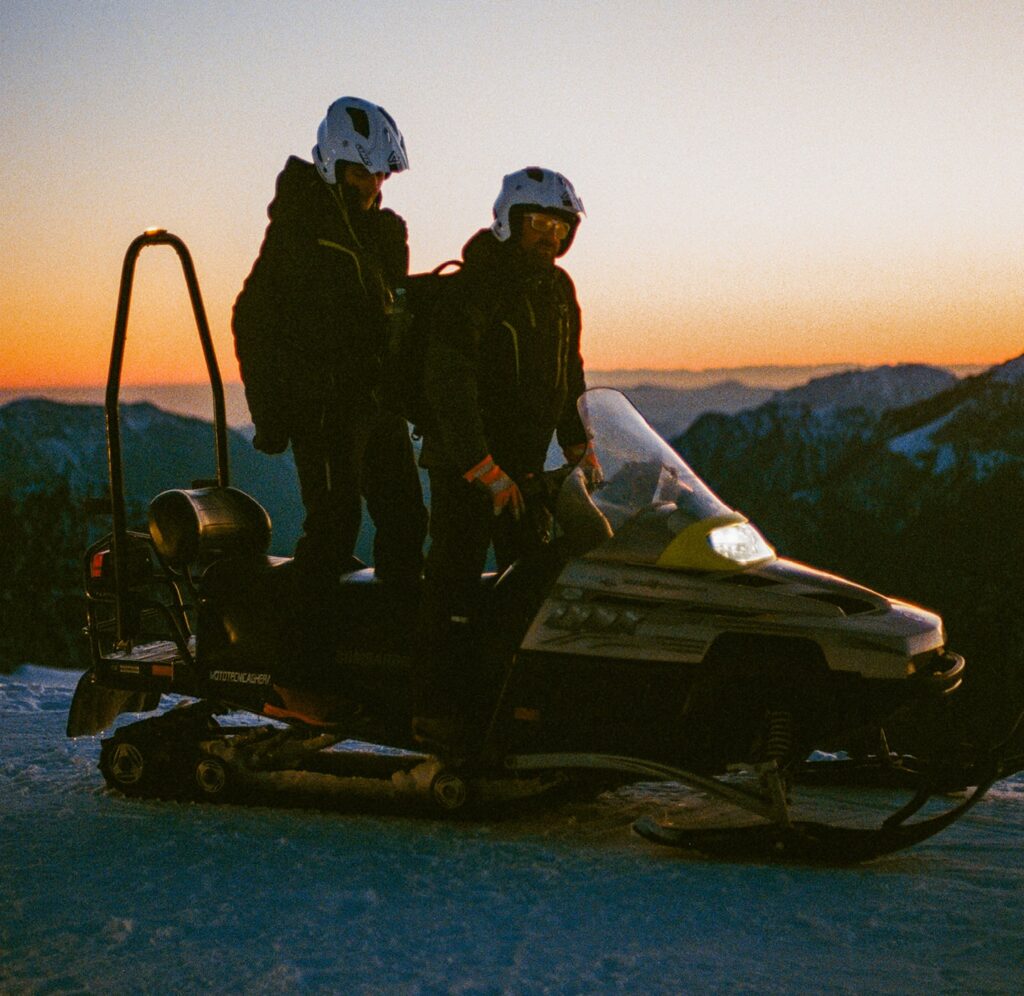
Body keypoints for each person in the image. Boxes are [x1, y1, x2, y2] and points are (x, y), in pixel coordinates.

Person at [232, 96, 427, 719]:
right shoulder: (300, 226)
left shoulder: (382, 232)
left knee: (404, 519)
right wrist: (270, 412)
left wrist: (413, 388)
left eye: (381, 175)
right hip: (323, 405)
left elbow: (393, 315)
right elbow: (252, 318)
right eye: (364, 173)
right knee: (334, 525)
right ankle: (303, 665)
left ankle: (395, 649)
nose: (375, 185)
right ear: (334, 164)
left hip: (377, 403)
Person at [413, 167, 600, 745]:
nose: (550, 235)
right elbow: (450, 381)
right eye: (539, 222)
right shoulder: (475, 287)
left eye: (560, 226)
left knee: (533, 583)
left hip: (523, 466)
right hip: (464, 464)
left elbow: (570, 371)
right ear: (508, 220)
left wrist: (578, 439)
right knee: (455, 584)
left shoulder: (559, 290)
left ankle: (515, 706)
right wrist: (480, 467)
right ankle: (437, 714)